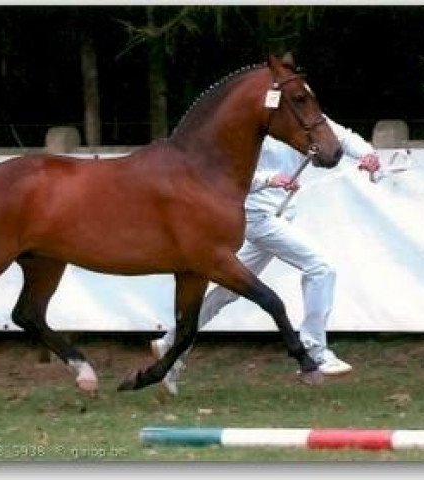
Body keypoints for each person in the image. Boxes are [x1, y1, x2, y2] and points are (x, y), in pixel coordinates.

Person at [151, 116, 381, 396]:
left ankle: (171, 342)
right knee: (321, 267)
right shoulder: (248, 127)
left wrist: (368, 154)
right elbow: (227, 177)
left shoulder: (301, 118)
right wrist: (269, 180)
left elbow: (340, 136)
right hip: (258, 219)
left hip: (279, 215)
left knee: (228, 290)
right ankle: (315, 350)